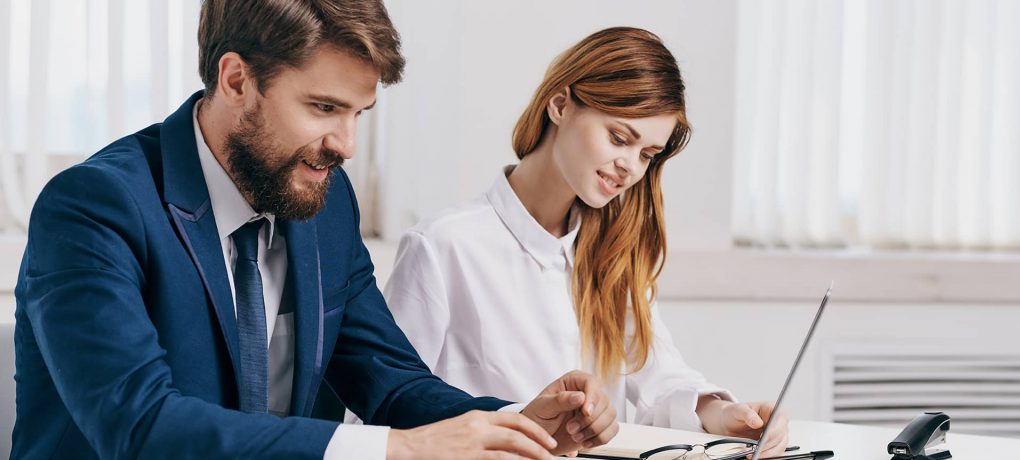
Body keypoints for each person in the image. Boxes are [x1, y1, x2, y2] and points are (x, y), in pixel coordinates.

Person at [11, 1, 618, 458]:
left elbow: (391, 381)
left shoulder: (323, 200)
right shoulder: (93, 207)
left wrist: (516, 425)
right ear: (236, 80)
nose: (345, 145)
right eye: (324, 108)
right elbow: (140, 426)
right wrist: (394, 450)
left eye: (359, 114)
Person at [383, 27, 790, 456]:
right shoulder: (444, 245)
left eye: (647, 155)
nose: (630, 167)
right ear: (560, 105)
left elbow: (658, 375)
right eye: (619, 138)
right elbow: (385, 406)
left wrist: (722, 412)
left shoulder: (612, 251)